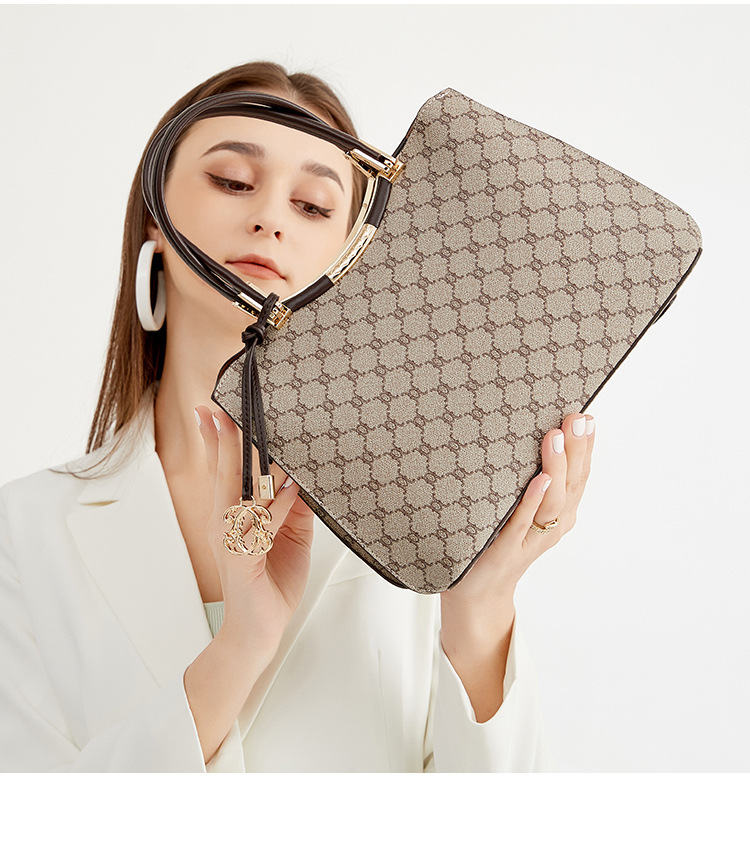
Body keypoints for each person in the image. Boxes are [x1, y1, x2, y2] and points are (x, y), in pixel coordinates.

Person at [0, 61, 595, 772]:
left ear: (351, 256)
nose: (271, 218)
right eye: (232, 181)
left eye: (313, 205)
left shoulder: (416, 524)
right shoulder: (24, 532)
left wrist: (482, 606)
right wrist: (239, 648)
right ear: (154, 217)